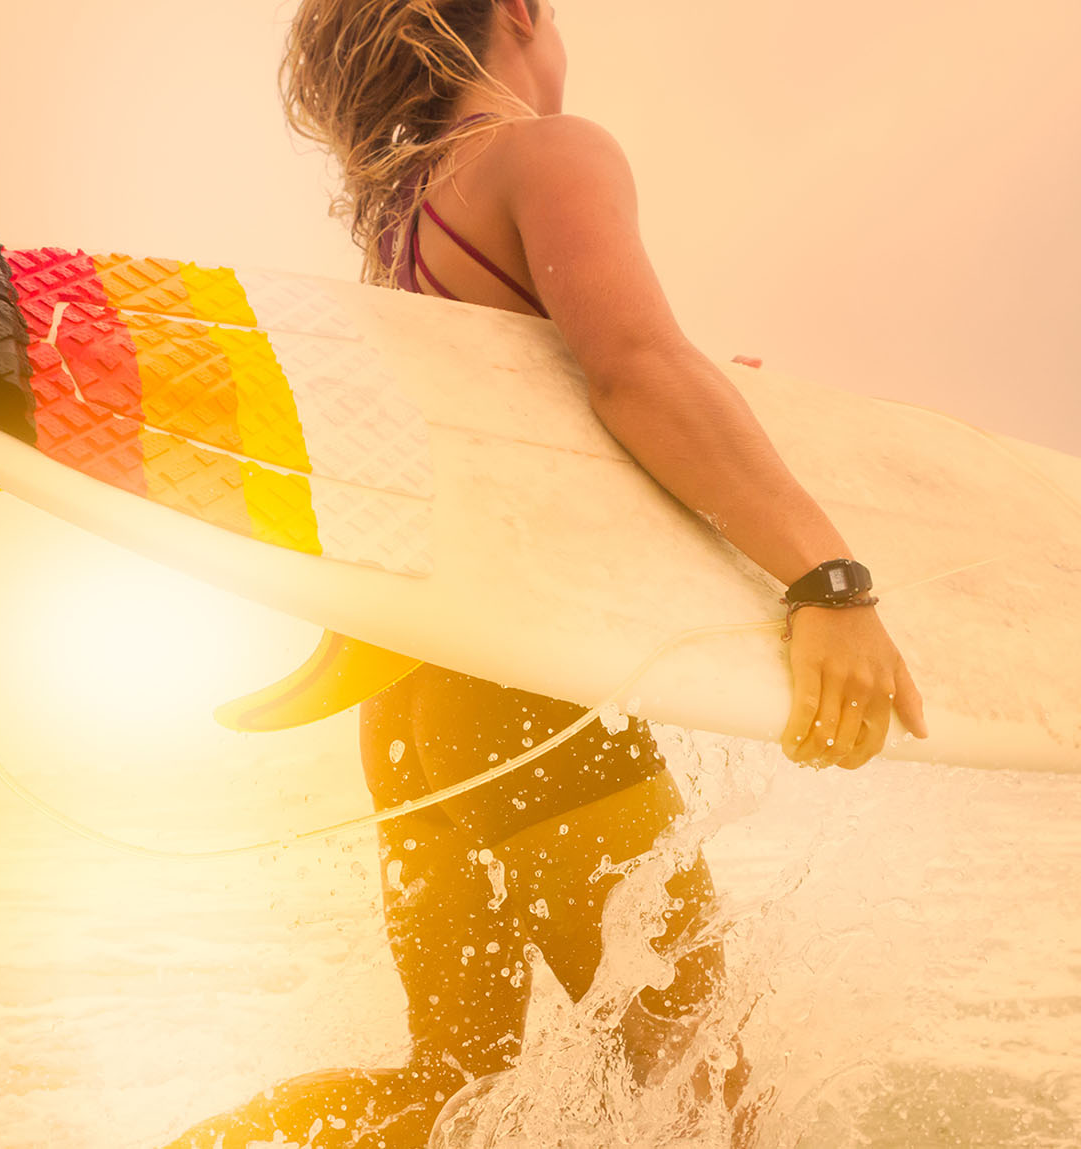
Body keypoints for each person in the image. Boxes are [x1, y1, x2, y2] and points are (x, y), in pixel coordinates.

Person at [168, 2, 928, 1144]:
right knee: (703, 1099)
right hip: (523, 700)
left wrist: (696, 388)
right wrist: (830, 583)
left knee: (453, 1090)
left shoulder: (400, 226)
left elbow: (524, 438)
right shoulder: (544, 150)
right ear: (518, 9)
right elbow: (632, 371)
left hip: (413, 705)